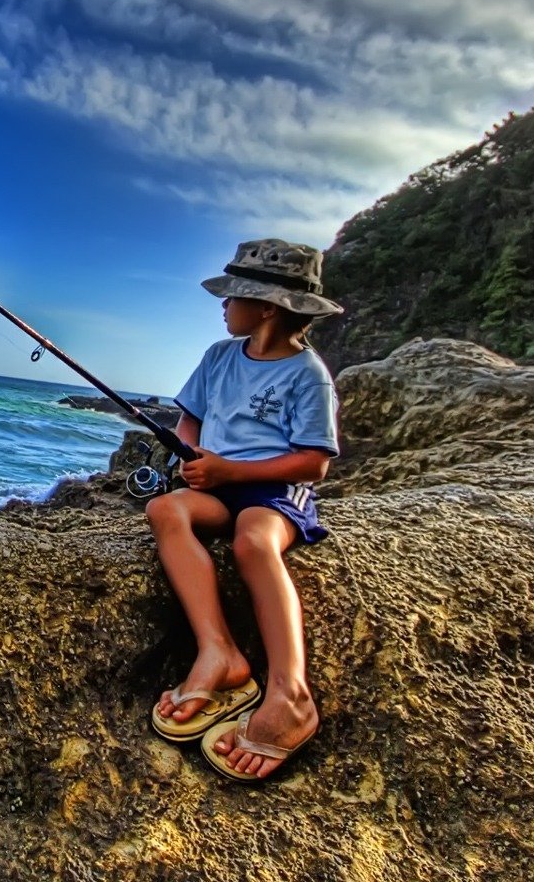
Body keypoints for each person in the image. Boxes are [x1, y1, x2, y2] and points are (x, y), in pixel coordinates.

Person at [145, 238, 342, 783]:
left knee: (253, 541)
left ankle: (290, 694)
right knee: (167, 512)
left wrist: (234, 473)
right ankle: (219, 653)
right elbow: (190, 420)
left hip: (272, 489)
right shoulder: (218, 357)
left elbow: (313, 464)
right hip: (218, 484)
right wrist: (191, 456)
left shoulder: (308, 374)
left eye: (233, 298)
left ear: (268, 309)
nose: (223, 306)